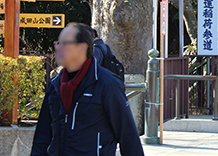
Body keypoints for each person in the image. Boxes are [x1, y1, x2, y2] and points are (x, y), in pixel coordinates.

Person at [31, 23, 144, 156]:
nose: (59, 48)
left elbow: (127, 135)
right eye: (58, 43)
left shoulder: (108, 84)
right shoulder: (55, 84)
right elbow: (42, 136)